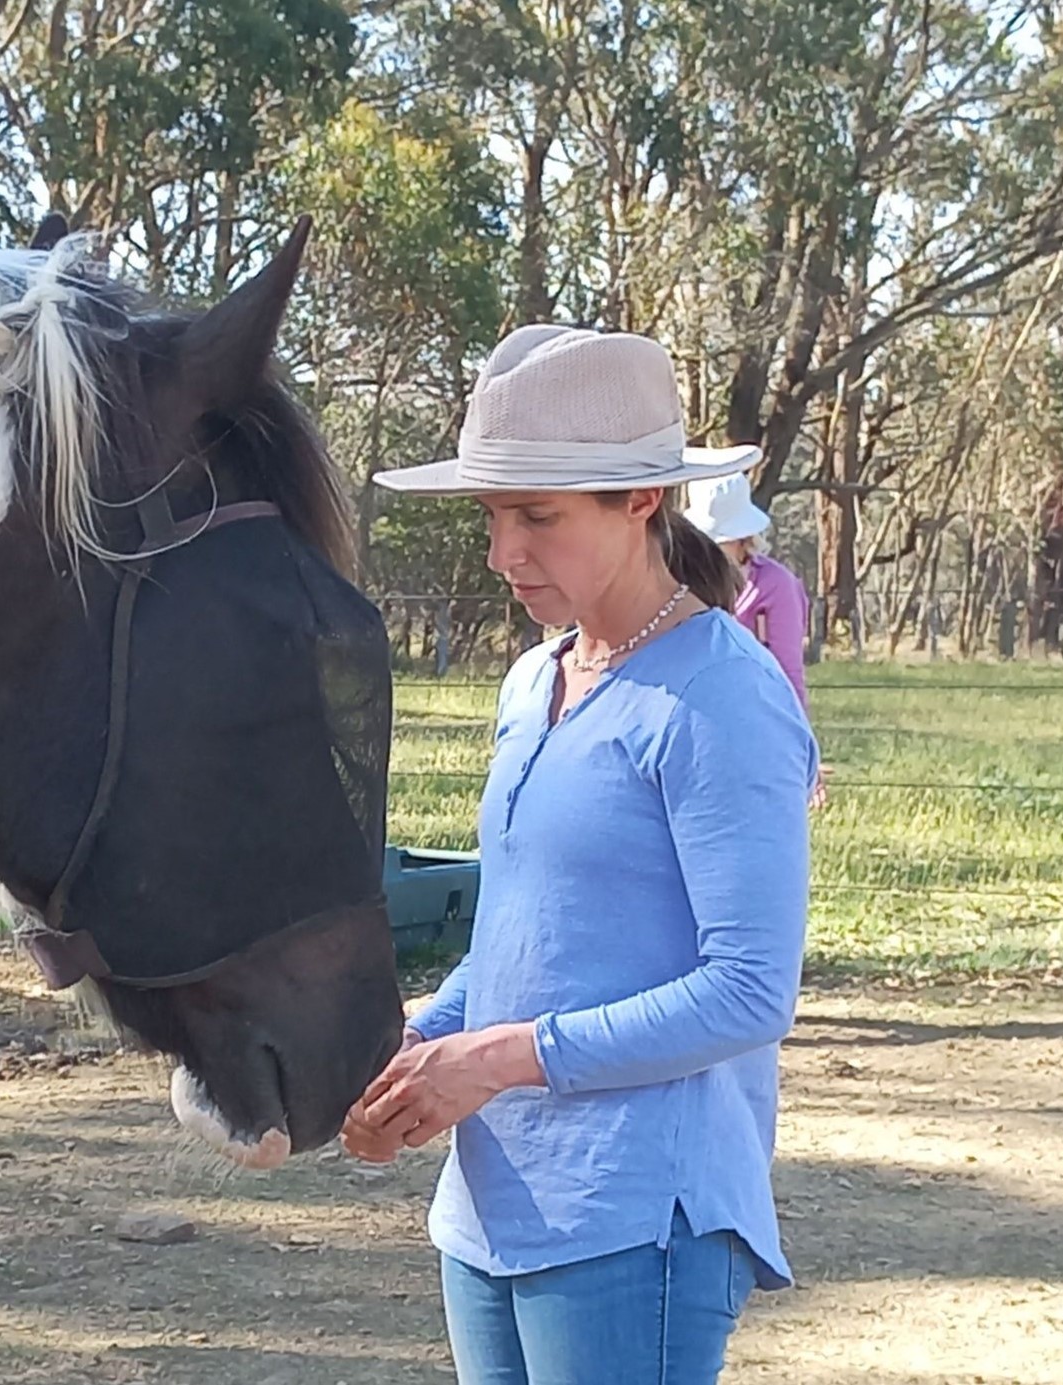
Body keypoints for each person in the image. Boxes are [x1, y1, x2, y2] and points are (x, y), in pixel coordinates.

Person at [346, 324, 817, 1385]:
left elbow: (748, 989)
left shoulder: (721, 696)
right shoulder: (532, 682)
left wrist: (499, 1058)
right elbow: (526, 934)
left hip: (632, 1218)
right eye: (492, 515)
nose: (502, 553)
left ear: (641, 498)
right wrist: (415, 1052)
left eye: (538, 516)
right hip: (490, 1208)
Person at [683, 471, 809, 708]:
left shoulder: (777, 586)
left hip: (755, 714)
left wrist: (795, 735)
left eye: (719, 541)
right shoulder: (680, 580)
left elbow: (788, 673)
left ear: (743, 538)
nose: (708, 549)